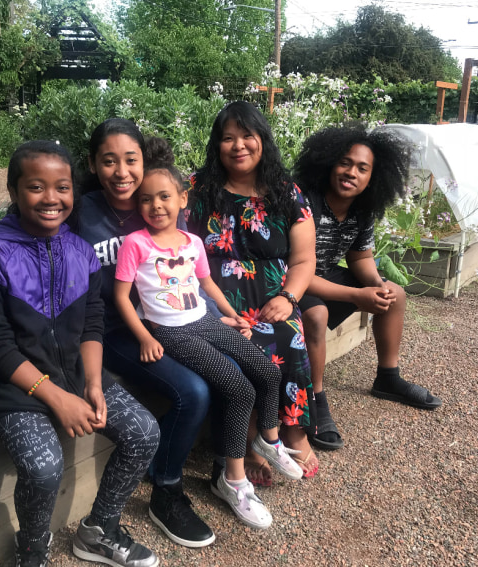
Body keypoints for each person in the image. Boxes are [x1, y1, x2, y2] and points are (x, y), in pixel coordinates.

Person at [0, 120, 218, 548]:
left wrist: (92, 385)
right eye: (35, 187)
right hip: (10, 386)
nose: (51, 198)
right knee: (44, 468)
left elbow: (93, 319)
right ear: (13, 192)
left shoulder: (81, 249)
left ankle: (99, 529)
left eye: (61, 188)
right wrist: (59, 398)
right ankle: (34, 551)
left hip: (77, 371)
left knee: (145, 432)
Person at [115, 140, 304, 529]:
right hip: (170, 332)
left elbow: (208, 285)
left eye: (165, 196)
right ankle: (233, 482)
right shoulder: (136, 244)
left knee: (267, 371)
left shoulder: (193, 242)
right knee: (238, 388)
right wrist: (146, 336)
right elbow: (122, 298)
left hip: (204, 320)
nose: (156, 206)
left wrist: (233, 316)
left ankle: (269, 439)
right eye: (146, 199)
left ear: (183, 199)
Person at [187, 101, 319, 484]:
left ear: (263, 140)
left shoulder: (285, 193)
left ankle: (292, 429)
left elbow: (303, 260)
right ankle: (246, 439)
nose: (238, 145)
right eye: (228, 138)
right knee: (240, 343)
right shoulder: (198, 190)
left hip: (273, 299)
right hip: (215, 298)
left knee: (289, 333)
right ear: (216, 145)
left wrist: (288, 298)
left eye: (247, 135)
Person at [294, 124, 443, 452]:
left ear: (374, 177)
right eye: (345, 163)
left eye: (363, 168)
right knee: (316, 315)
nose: (351, 173)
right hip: (293, 281)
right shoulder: (306, 202)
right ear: (330, 163)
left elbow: (360, 257)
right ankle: (315, 399)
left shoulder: (362, 210)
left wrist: (376, 284)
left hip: (327, 275)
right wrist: (355, 295)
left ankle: (387, 378)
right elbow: (297, 271)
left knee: (396, 293)